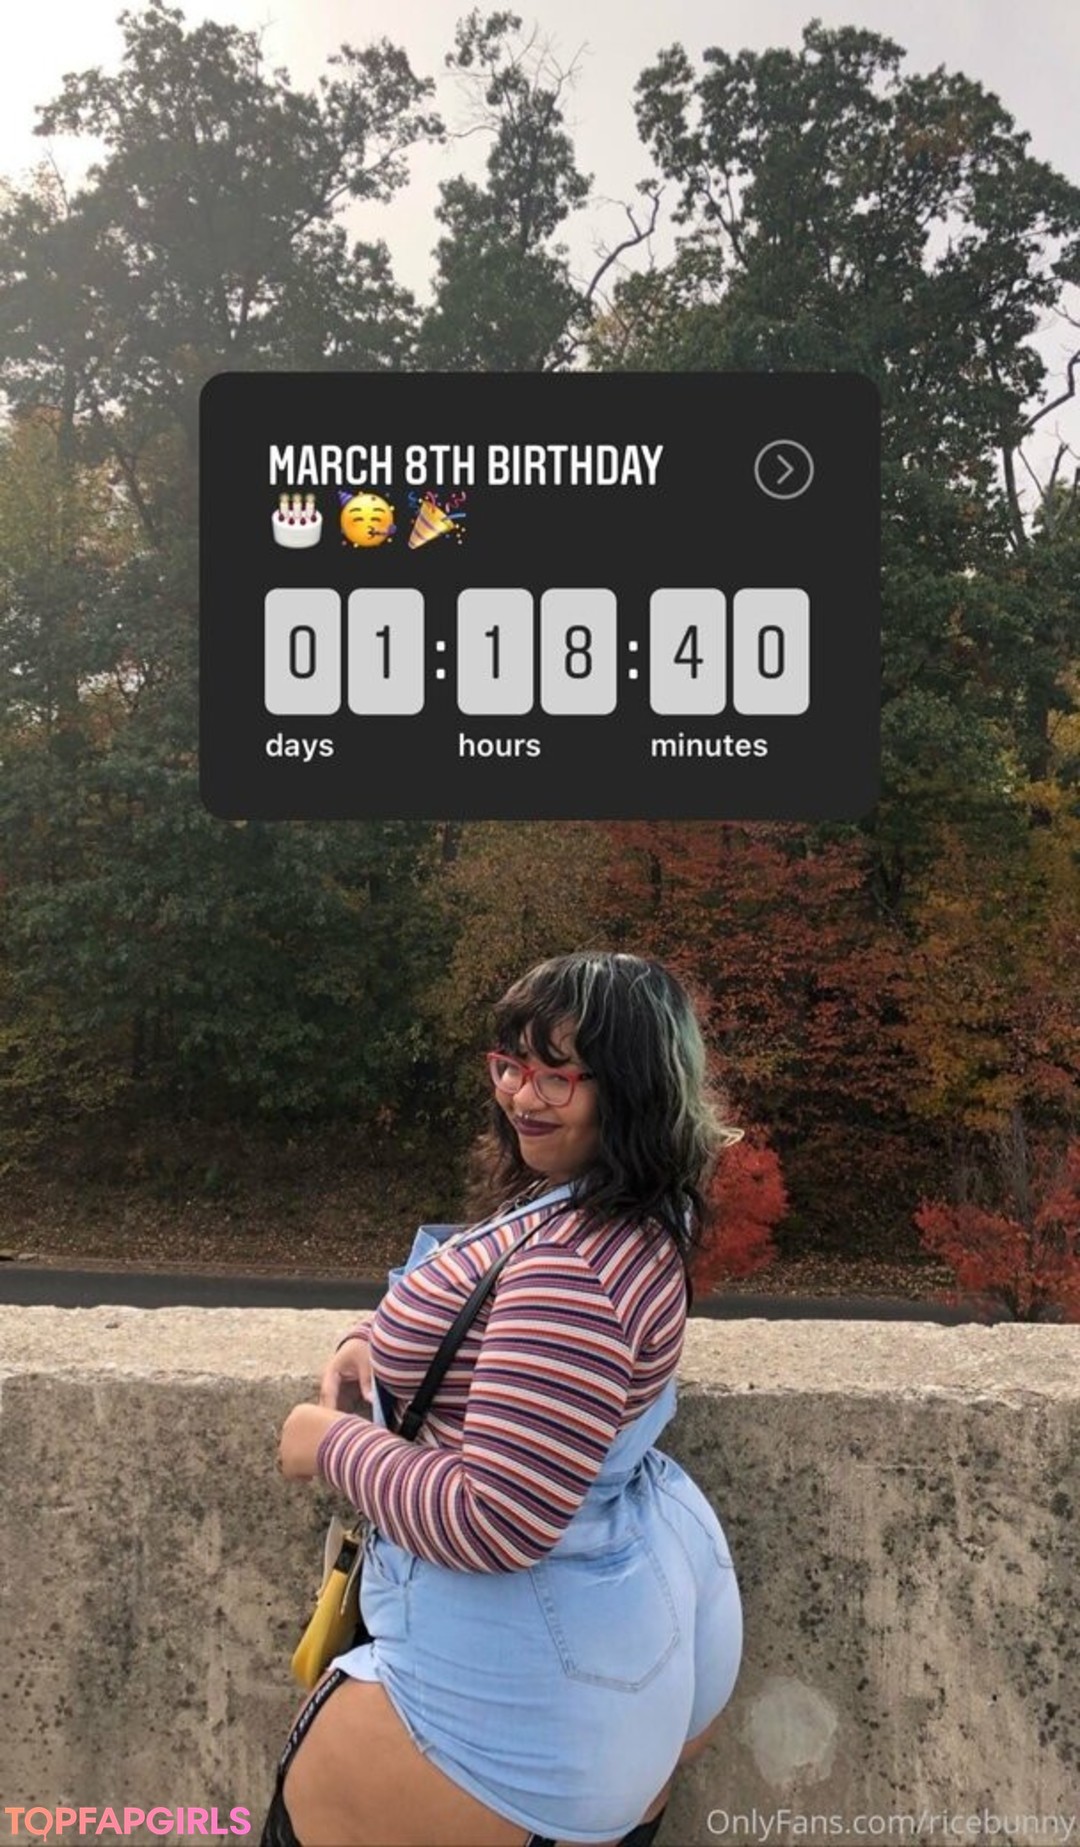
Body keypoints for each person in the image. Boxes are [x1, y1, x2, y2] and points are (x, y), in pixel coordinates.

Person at [264, 951, 744, 1847]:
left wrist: (326, 1442)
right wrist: (382, 1345)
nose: (523, 1095)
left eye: (558, 1074)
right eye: (511, 1065)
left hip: (505, 1704)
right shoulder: (637, 1215)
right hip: (620, 1646)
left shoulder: (568, 1270)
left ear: (631, 1088)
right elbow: (495, 1313)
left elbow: (496, 1519)